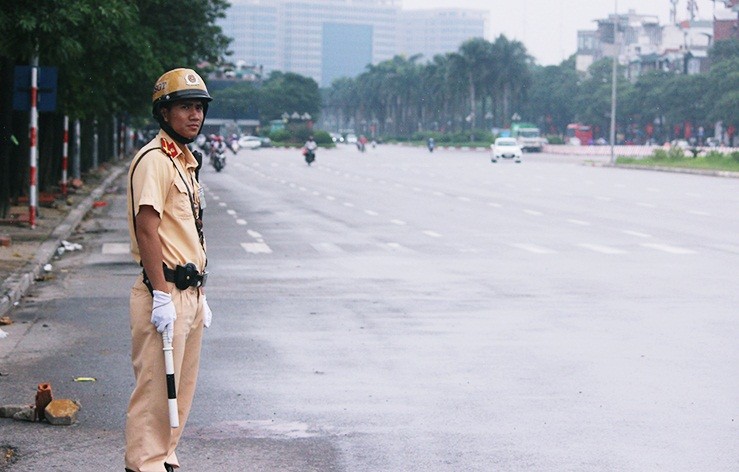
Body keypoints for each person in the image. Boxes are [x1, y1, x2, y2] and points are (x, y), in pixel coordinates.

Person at [125, 68, 214, 472]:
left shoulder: (185, 162)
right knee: (157, 393)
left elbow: (187, 230)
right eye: (184, 107)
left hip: (190, 294)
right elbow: (148, 226)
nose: (194, 115)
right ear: (164, 112)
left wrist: (200, 294)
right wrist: (161, 294)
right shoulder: (155, 160)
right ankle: (144, 465)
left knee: (182, 390)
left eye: (198, 107)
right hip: (165, 291)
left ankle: (164, 459)